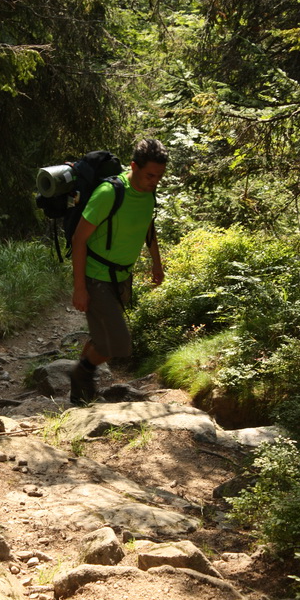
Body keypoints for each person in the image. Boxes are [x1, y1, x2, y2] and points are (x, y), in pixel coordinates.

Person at [70, 138, 168, 404]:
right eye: (149, 175)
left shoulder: (149, 192)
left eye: (159, 176)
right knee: (119, 344)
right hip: (96, 277)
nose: (154, 181)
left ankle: (80, 392)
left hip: (123, 278)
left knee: (103, 338)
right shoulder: (109, 193)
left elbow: (147, 226)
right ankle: (80, 374)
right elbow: (79, 240)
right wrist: (80, 287)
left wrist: (156, 262)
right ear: (134, 166)